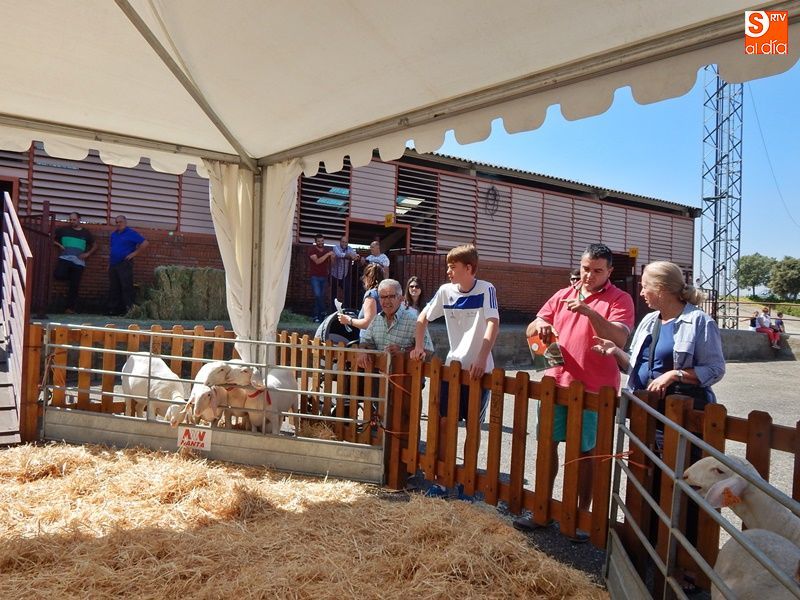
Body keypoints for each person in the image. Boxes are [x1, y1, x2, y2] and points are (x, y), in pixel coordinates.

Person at [593, 260, 724, 591]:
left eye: (645, 286)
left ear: (663, 289)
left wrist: (676, 374)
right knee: (649, 484)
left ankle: (687, 565)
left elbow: (715, 368)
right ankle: (651, 554)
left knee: (685, 488)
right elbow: (637, 369)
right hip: (647, 418)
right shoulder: (650, 321)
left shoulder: (699, 322)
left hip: (683, 420)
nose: (641, 292)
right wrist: (615, 351)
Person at [514, 243, 634, 540]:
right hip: (555, 383)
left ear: (609, 271)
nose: (589, 275)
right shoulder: (563, 294)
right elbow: (533, 325)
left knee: (586, 453)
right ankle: (542, 508)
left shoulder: (621, 299)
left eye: (597, 271)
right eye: (585, 269)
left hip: (595, 390)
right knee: (547, 446)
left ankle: (581, 516)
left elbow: (619, 338)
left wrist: (590, 313)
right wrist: (540, 325)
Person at [410, 243, 499, 499]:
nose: (448, 271)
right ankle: (441, 480)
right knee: (444, 424)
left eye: (452, 267)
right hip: (452, 368)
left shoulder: (487, 289)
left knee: (473, 426)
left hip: (479, 371)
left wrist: (482, 357)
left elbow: (493, 323)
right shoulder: (445, 291)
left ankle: (467, 483)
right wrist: (418, 346)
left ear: (468, 268)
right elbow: (422, 318)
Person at [357, 279, 433, 370]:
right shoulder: (376, 320)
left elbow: (429, 352)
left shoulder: (414, 320)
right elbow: (365, 342)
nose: (386, 301)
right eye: (382, 297)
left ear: (400, 298)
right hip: (379, 377)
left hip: (406, 377)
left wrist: (403, 351)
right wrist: (363, 351)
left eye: (391, 296)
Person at [53, 212, 97, 313]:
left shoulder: (86, 233)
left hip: (79, 262)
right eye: (71, 220)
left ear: (79, 219)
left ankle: (70, 308)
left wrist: (88, 254)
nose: (72, 222)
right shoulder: (63, 230)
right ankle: (70, 277)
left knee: (74, 286)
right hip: (65, 258)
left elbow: (95, 245)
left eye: (74, 220)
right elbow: (50, 237)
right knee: (58, 275)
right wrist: (59, 245)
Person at [108, 215, 148, 315]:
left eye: (120, 222)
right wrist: (109, 264)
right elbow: (112, 249)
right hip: (113, 264)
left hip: (124, 263)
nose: (118, 224)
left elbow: (145, 243)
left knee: (126, 287)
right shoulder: (113, 234)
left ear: (125, 222)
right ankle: (113, 310)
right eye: (116, 222)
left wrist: (134, 253)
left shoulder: (131, 233)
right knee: (114, 287)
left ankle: (128, 310)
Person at [337, 262, 382, 340]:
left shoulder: (371, 294)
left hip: (369, 340)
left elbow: (369, 323)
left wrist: (349, 320)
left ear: (367, 278)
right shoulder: (383, 293)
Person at [308, 233, 333, 323]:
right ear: (315, 242)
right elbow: (317, 261)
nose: (321, 242)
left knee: (320, 297)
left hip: (324, 276)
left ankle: (317, 317)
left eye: (322, 241)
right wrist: (328, 254)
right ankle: (324, 312)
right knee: (318, 295)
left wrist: (332, 256)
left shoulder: (326, 250)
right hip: (315, 276)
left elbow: (332, 263)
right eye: (319, 241)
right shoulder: (312, 250)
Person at [330, 235, 358, 309]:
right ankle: (333, 309)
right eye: (343, 242)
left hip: (344, 275)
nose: (344, 244)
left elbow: (354, 256)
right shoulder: (336, 247)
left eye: (346, 242)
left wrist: (355, 256)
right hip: (335, 274)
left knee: (348, 292)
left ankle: (346, 308)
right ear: (340, 242)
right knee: (334, 294)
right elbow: (339, 254)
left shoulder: (350, 248)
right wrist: (349, 255)